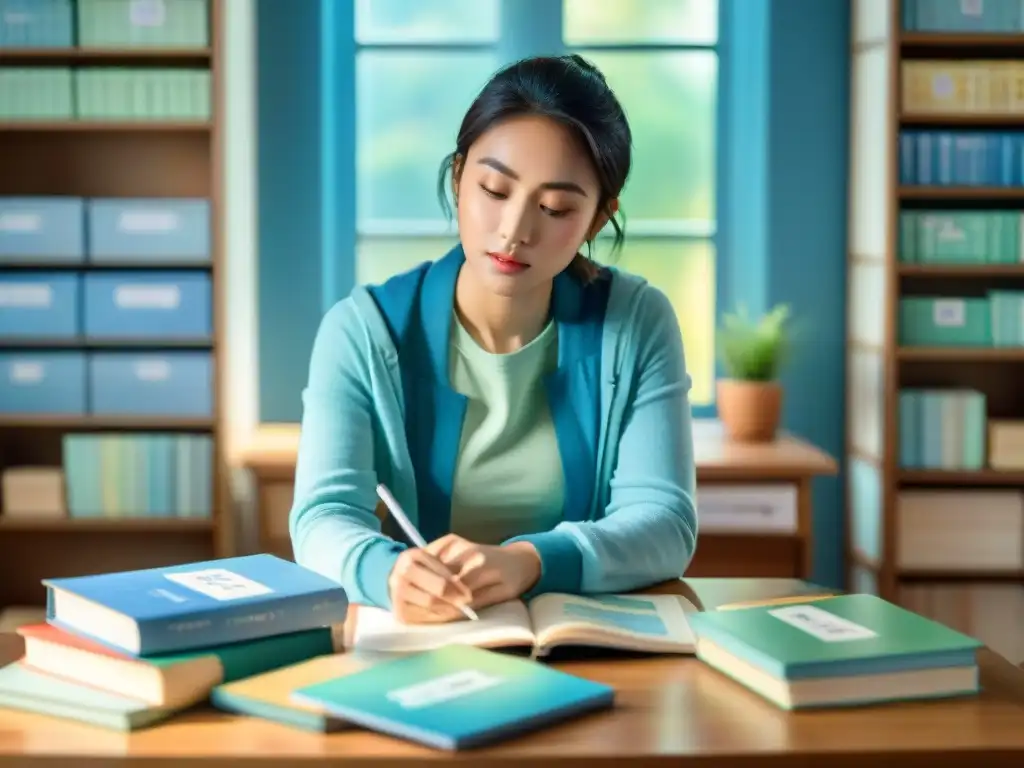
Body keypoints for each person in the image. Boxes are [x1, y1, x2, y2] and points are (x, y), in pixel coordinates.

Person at [289, 54, 698, 625]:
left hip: (592, 648)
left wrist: (528, 562)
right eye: (494, 189)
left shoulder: (638, 322)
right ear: (458, 177)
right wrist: (385, 572)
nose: (515, 230)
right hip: (425, 643)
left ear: (598, 219)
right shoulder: (362, 330)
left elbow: (664, 521)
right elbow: (322, 517)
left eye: (555, 208)